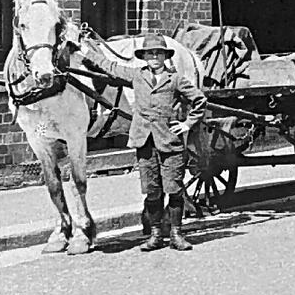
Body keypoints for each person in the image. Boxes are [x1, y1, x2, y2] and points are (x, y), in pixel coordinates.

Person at [72, 30, 207, 252]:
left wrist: (187, 124)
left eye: (159, 53)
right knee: (152, 190)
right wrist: (86, 52)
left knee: (173, 188)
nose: (154, 57)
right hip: (144, 142)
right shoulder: (137, 76)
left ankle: (176, 234)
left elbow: (199, 99)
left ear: (166, 56)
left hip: (169, 142)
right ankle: (155, 235)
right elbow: (111, 67)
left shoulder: (175, 80)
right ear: (144, 57)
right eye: (150, 53)